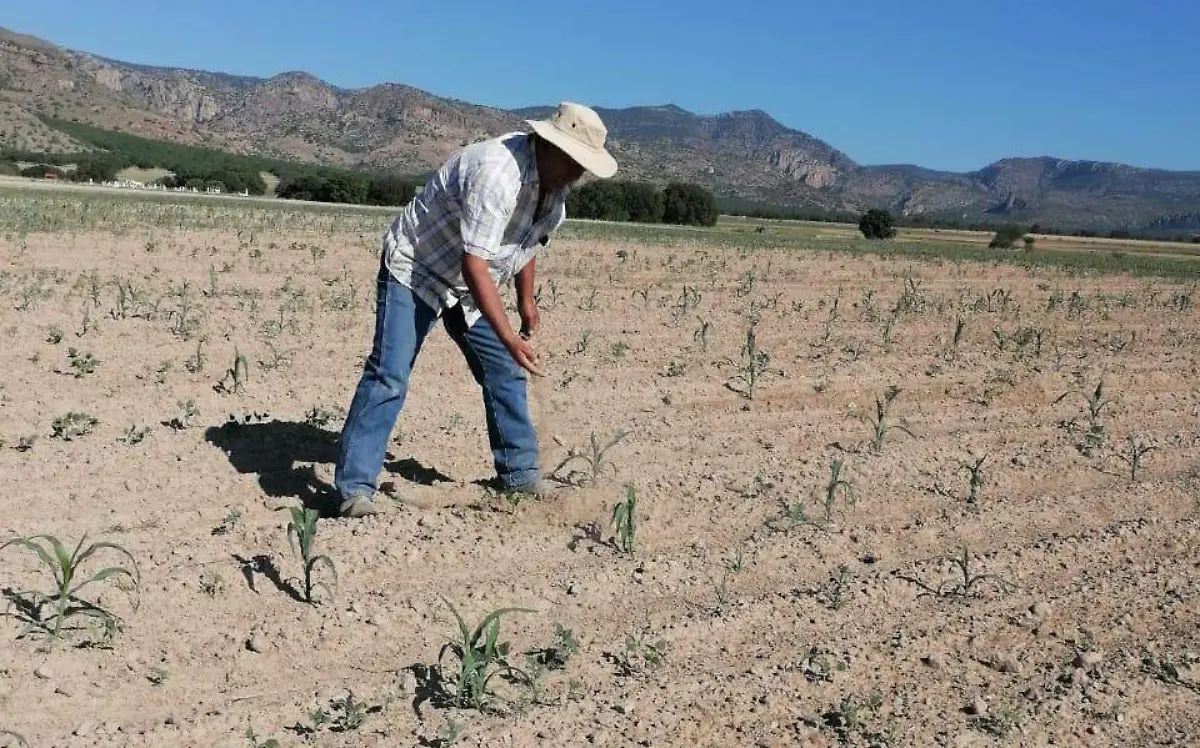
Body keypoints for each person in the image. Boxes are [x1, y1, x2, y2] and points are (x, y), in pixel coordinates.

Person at [334, 102, 619, 518]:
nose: (580, 173)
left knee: (504, 370)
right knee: (390, 375)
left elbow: (524, 245)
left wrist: (526, 301)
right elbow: (475, 264)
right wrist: (507, 335)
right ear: (550, 146)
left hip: (467, 286)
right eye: (576, 161)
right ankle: (353, 490)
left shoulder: (555, 197)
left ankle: (519, 477)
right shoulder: (497, 173)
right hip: (418, 267)